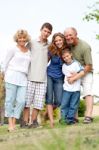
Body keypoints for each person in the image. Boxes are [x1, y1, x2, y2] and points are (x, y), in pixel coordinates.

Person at [21, 22, 53, 128]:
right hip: (30, 76)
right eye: (45, 31)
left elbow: (49, 58)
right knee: (27, 102)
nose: (46, 33)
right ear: (41, 30)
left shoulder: (50, 46)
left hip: (42, 78)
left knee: (38, 103)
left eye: (48, 32)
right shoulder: (32, 42)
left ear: (50, 33)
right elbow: (23, 54)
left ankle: (33, 122)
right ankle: (24, 122)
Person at [3, 29, 31, 132]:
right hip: (11, 77)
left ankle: (14, 122)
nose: (22, 39)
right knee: (9, 101)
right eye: (20, 38)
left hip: (23, 79)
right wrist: (5, 76)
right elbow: (5, 63)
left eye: (24, 37)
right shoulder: (12, 49)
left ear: (26, 38)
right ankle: (11, 124)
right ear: (17, 39)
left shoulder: (28, 52)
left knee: (21, 101)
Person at [64, 27, 93, 123]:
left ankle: (88, 116)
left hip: (86, 72)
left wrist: (77, 76)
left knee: (87, 92)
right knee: (74, 93)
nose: (68, 37)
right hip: (74, 73)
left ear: (76, 34)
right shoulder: (69, 46)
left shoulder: (85, 47)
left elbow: (89, 66)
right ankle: (74, 117)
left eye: (70, 35)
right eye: (66, 35)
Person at [45, 33, 66, 128]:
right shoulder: (52, 50)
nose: (58, 42)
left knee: (58, 101)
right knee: (49, 98)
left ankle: (46, 114)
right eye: (56, 40)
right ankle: (52, 122)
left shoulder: (67, 50)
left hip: (60, 77)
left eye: (60, 40)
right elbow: (45, 61)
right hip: (49, 75)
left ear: (63, 40)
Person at [60, 49, 84, 124]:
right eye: (64, 57)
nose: (66, 58)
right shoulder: (64, 66)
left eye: (67, 56)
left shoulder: (77, 63)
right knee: (64, 105)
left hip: (76, 89)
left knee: (73, 105)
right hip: (67, 89)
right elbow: (68, 76)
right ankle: (64, 119)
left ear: (71, 54)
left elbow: (82, 72)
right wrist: (75, 75)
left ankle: (70, 120)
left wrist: (75, 75)